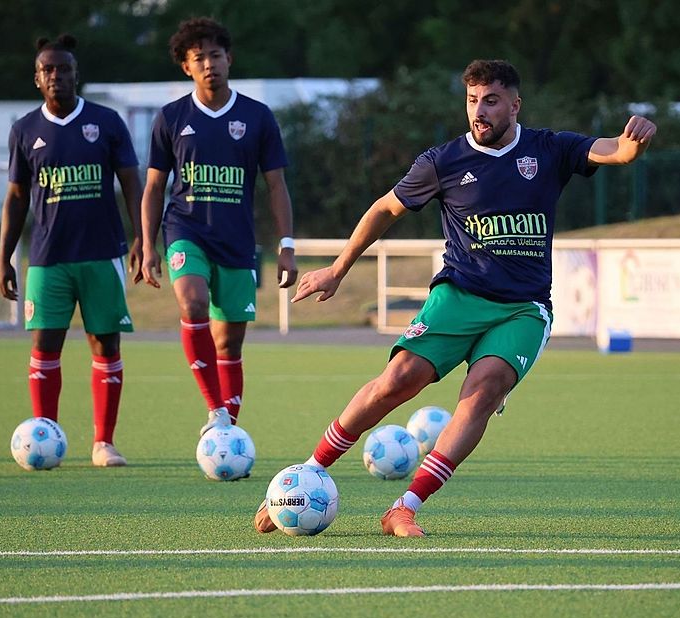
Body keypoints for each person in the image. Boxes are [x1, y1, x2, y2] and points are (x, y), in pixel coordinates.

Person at [255, 59, 656, 536]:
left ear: (514, 104)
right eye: (471, 101)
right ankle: (307, 476)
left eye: (490, 100)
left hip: (523, 308)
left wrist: (630, 148)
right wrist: (339, 269)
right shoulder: (443, 161)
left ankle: (404, 507)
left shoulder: (549, 149)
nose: (478, 112)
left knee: (484, 390)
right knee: (397, 381)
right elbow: (385, 208)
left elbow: (612, 151)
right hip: (458, 295)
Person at [141, 17, 298, 436]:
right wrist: (148, 243)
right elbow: (154, 187)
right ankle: (217, 410)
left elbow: (276, 184)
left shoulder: (257, 117)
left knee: (229, 344)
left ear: (229, 59)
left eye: (215, 55)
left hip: (237, 241)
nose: (209, 63)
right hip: (185, 230)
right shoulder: (171, 117)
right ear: (186, 67)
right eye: (199, 58)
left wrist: (286, 245)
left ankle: (227, 436)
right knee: (192, 303)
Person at [0, 34, 143, 467]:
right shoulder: (25, 129)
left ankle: (103, 442)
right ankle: (44, 436)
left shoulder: (107, 122)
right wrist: (4, 256)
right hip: (47, 256)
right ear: (37, 78)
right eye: (48, 69)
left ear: (76, 74)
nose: (56, 75)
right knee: (45, 345)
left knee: (106, 344)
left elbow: (132, 183)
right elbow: (17, 196)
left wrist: (142, 238)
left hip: (103, 253)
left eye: (64, 68)